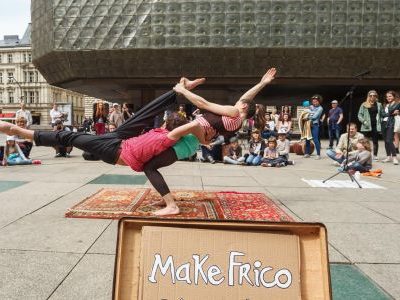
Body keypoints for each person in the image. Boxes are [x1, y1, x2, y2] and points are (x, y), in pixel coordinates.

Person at [0, 78, 205, 216]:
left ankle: (16, 131)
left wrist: (199, 130)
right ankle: (177, 89)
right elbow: (150, 117)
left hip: (118, 149)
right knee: (144, 115)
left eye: (166, 122)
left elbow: (189, 128)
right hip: (120, 142)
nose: (163, 123)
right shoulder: (162, 133)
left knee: (70, 136)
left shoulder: (167, 135)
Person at [173, 68, 277, 144]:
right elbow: (245, 98)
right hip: (191, 137)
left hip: (189, 134)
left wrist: (183, 90)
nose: (237, 101)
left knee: (168, 101)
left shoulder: (234, 112)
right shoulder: (238, 123)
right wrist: (262, 83)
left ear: (244, 106)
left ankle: (185, 86)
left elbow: (203, 104)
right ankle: (185, 85)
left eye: (239, 102)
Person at [357, 90, 383, 160]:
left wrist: (381, 123)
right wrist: (364, 122)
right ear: (368, 96)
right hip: (366, 125)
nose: (372, 97)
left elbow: (381, 115)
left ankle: (375, 155)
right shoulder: (364, 104)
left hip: (375, 125)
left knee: (375, 141)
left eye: (374, 95)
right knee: (363, 141)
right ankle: (363, 154)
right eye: (370, 95)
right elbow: (359, 115)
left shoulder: (379, 105)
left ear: (376, 96)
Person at [381, 90, 400, 165]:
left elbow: (390, 111)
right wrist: (391, 113)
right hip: (384, 123)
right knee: (385, 141)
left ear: (393, 96)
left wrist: (389, 113)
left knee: (389, 140)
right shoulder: (385, 104)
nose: (388, 98)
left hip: (391, 123)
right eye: (387, 96)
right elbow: (382, 114)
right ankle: (388, 156)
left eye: (390, 96)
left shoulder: (397, 104)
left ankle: (394, 157)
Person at [304, 94, 324, 159]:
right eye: (313, 101)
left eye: (316, 101)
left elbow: (315, 117)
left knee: (315, 139)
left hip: (315, 125)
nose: (314, 102)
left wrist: (308, 116)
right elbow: (305, 110)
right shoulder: (311, 106)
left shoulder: (320, 108)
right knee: (307, 139)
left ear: (319, 101)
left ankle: (318, 154)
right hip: (308, 125)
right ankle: (307, 153)